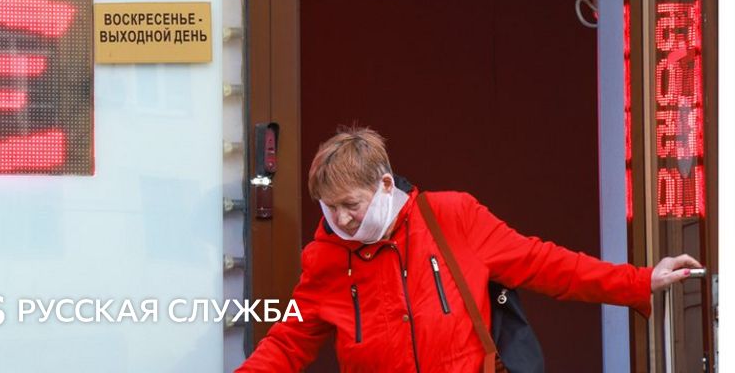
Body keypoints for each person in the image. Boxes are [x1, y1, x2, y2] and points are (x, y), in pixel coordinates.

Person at [237, 127, 702, 372]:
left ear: (384, 185)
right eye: (329, 207)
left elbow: (543, 264)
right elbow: (287, 344)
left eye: (350, 205)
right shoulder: (325, 257)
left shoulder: (452, 216)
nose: (340, 220)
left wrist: (637, 280)